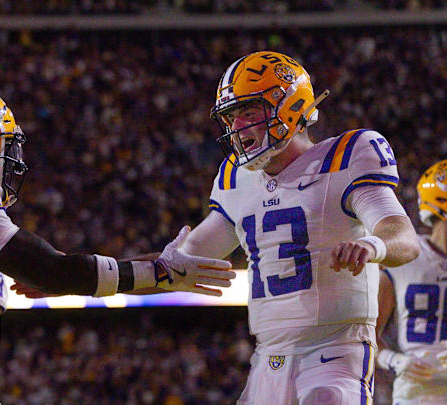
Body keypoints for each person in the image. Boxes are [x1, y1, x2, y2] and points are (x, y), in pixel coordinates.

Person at [0, 82, 235, 404]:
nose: (5, 157)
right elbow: (53, 271)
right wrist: (155, 272)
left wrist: (159, 269)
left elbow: (56, 269)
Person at [174, 51, 420, 404]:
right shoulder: (236, 179)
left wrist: (372, 246)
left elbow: (404, 237)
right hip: (268, 360)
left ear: (288, 106)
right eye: (230, 117)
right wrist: (111, 272)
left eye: (247, 112)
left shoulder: (346, 157)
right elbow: (185, 258)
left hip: (336, 351)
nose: (237, 129)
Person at [376, 158, 447, 405]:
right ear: (446, 198)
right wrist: (395, 360)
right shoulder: (405, 252)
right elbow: (366, 336)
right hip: (412, 397)